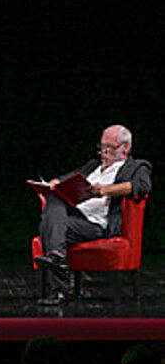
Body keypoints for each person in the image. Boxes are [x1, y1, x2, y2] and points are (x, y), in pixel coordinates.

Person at [34, 124, 152, 305]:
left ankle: (59, 286)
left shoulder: (136, 167)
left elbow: (142, 186)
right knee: (54, 201)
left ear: (125, 147)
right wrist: (53, 183)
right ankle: (57, 260)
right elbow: (65, 179)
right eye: (102, 147)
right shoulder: (93, 165)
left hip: (97, 224)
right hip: (74, 218)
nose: (104, 152)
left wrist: (105, 190)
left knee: (49, 227)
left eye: (110, 148)